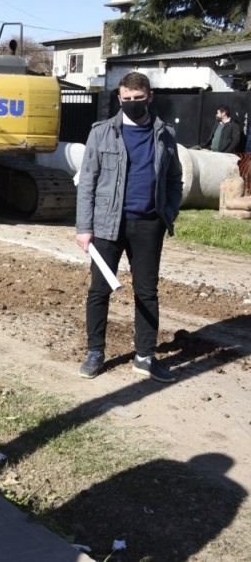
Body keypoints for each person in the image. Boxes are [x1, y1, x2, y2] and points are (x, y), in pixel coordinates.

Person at [75, 71, 183, 383]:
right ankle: (95, 351)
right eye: (127, 99)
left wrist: (168, 212)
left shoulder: (165, 135)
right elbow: (87, 184)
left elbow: (174, 179)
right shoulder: (102, 133)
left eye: (138, 99)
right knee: (99, 289)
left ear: (150, 97)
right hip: (107, 225)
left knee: (147, 291)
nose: (132, 104)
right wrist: (84, 228)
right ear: (119, 99)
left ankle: (145, 356)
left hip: (148, 224)